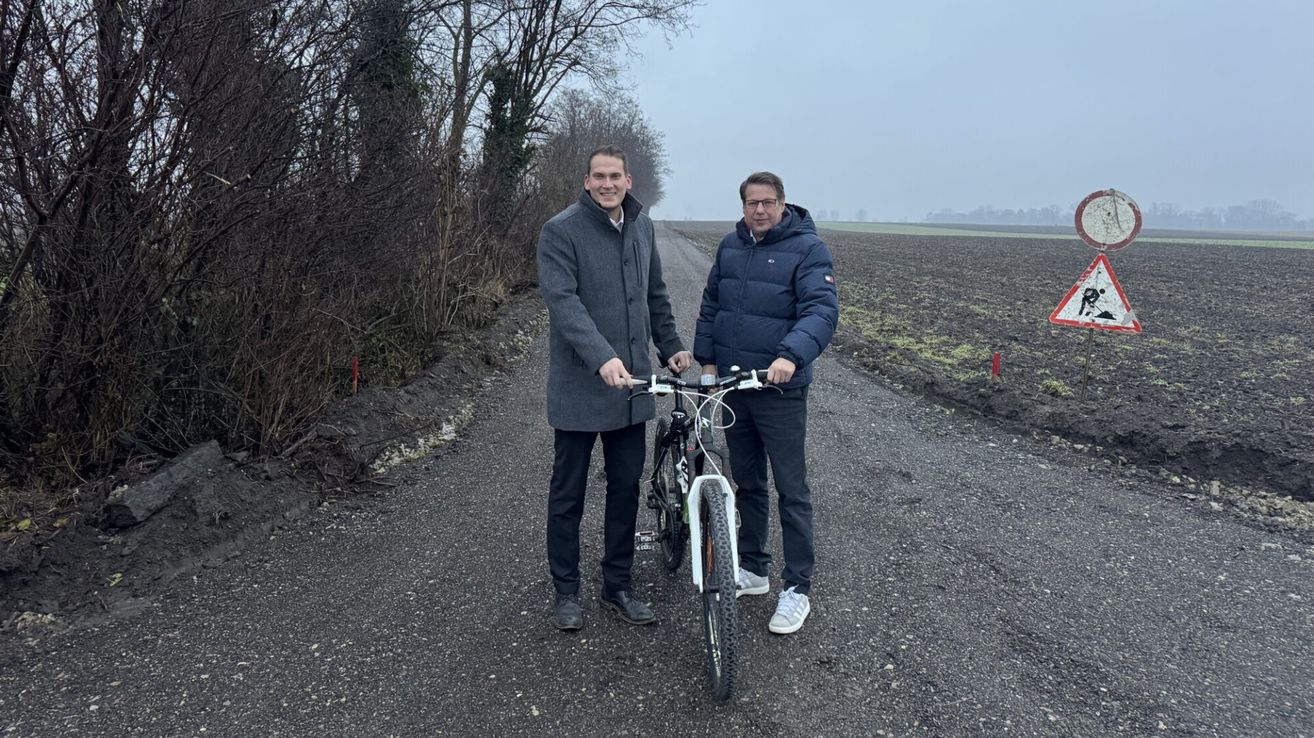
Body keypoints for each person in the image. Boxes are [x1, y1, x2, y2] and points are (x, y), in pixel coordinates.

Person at [536, 145, 693, 631]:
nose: (607, 184)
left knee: (625, 488)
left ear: (629, 182)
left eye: (615, 176)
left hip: (632, 389)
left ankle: (617, 585)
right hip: (581, 386)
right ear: (586, 182)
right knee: (569, 492)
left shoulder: (642, 227)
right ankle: (566, 592)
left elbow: (655, 296)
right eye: (598, 176)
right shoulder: (560, 231)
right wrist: (602, 356)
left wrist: (670, 347)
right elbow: (564, 304)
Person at [693, 171, 838, 635]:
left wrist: (790, 356)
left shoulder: (808, 248)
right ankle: (754, 570)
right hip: (737, 386)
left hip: (779, 389)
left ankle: (797, 589)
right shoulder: (731, 246)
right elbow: (712, 304)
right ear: (742, 207)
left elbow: (821, 309)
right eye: (752, 203)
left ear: (783, 204)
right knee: (748, 484)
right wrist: (708, 362)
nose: (760, 210)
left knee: (791, 490)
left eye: (768, 202)